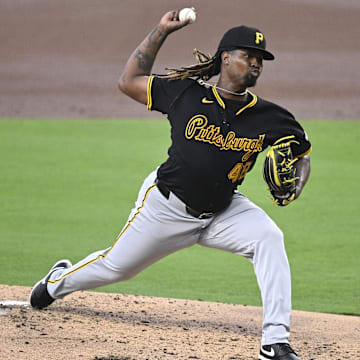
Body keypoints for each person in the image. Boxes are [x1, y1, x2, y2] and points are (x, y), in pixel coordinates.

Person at [30, 9, 311, 360]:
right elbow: (128, 80)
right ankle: (57, 282)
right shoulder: (184, 94)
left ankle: (275, 342)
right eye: (248, 56)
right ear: (225, 57)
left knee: (269, 237)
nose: (256, 63)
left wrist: (297, 183)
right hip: (167, 207)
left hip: (224, 211)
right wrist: (161, 31)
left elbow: (302, 154)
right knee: (117, 267)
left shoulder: (271, 116)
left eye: (261, 59)